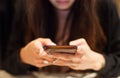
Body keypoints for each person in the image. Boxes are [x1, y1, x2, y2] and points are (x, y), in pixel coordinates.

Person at [3, 0, 120, 77]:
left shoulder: (104, 5)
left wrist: (97, 61)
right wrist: (25, 56)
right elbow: (7, 63)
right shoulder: (25, 6)